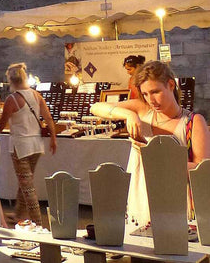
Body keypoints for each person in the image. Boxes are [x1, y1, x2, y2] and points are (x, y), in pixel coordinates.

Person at [90, 60, 210, 225]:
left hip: (175, 198)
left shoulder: (193, 122)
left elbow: (201, 169)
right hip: (141, 194)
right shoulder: (142, 110)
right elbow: (96, 107)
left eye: (155, 92)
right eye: (145, 94)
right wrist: (129, 115)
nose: (151, 99)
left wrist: (155, 155)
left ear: (171, 85)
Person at [0, 63, 57, 226]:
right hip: (36, 145)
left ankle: (37, 221)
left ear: (11, 80)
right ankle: (18, 214)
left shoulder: (12, 99)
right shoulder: (36, 95)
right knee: (26, 181)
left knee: (27, 186)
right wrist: (53, 138)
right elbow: (48, 118)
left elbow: (2, 123)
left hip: (20, 146)